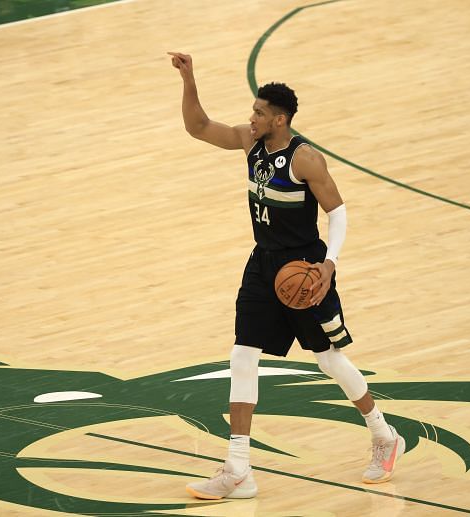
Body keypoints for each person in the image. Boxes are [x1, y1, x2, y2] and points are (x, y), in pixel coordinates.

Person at [168, 51, 405, 500]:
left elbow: (338, 212)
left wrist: (329, 264)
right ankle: (238, 469)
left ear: (279, 119)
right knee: (242, 354)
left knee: (329, 360)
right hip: (263, 265)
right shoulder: (249, 143)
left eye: (258, 113)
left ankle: (384, 434)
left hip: (305, 270)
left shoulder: (306, 160)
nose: (250, 118)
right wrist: (189, 78)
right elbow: (197, 127)